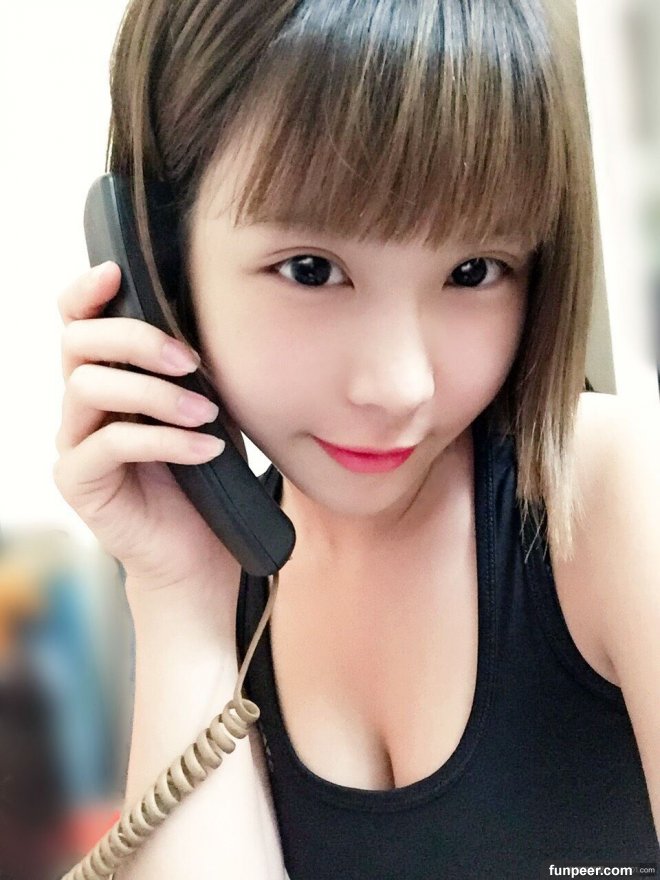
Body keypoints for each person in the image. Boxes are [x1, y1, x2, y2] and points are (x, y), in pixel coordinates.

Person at [53, 0, 659, 877]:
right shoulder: (195, 583)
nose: (401, 386)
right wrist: (180, 595)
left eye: (474, 271)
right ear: (159, 266)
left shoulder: (615, 493)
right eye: (312, 270)